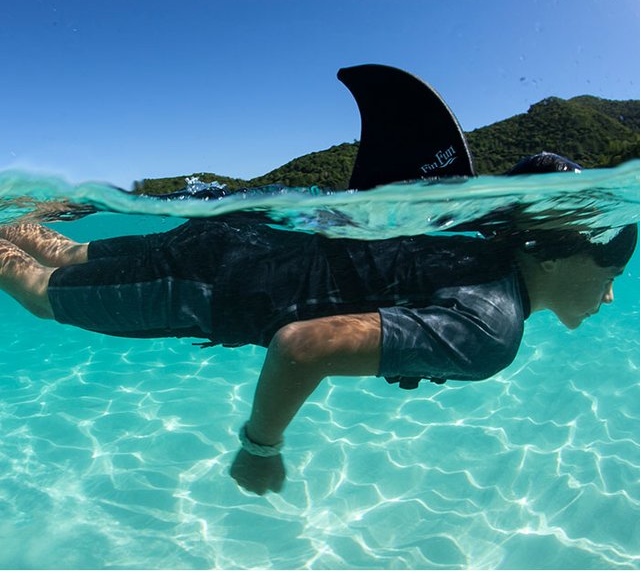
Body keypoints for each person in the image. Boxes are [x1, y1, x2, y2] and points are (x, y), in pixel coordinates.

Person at [0, 161, 636, 495]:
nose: (613, 289)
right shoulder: (490, 330)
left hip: (231, 235)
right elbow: (301, 346)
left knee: (69, 253)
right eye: (610, 261)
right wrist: (260, 450)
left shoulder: (471, 240)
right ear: (552, 252)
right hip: (216, 290)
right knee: (42, 293)